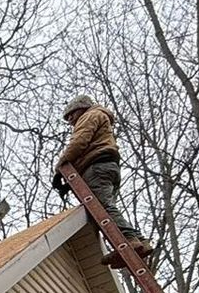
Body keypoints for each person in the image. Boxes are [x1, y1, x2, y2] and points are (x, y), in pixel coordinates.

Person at [54, 94, 156, 269]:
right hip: (107, 167)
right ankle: (140, 241)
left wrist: (60, 167)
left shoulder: (89, 116)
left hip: (97, 166)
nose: (70, 120)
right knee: (106, 207)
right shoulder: (98, 117)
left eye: (71, 114)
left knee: (103, 208)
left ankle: (129, 240)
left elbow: (79, 142)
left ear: (81, 108)